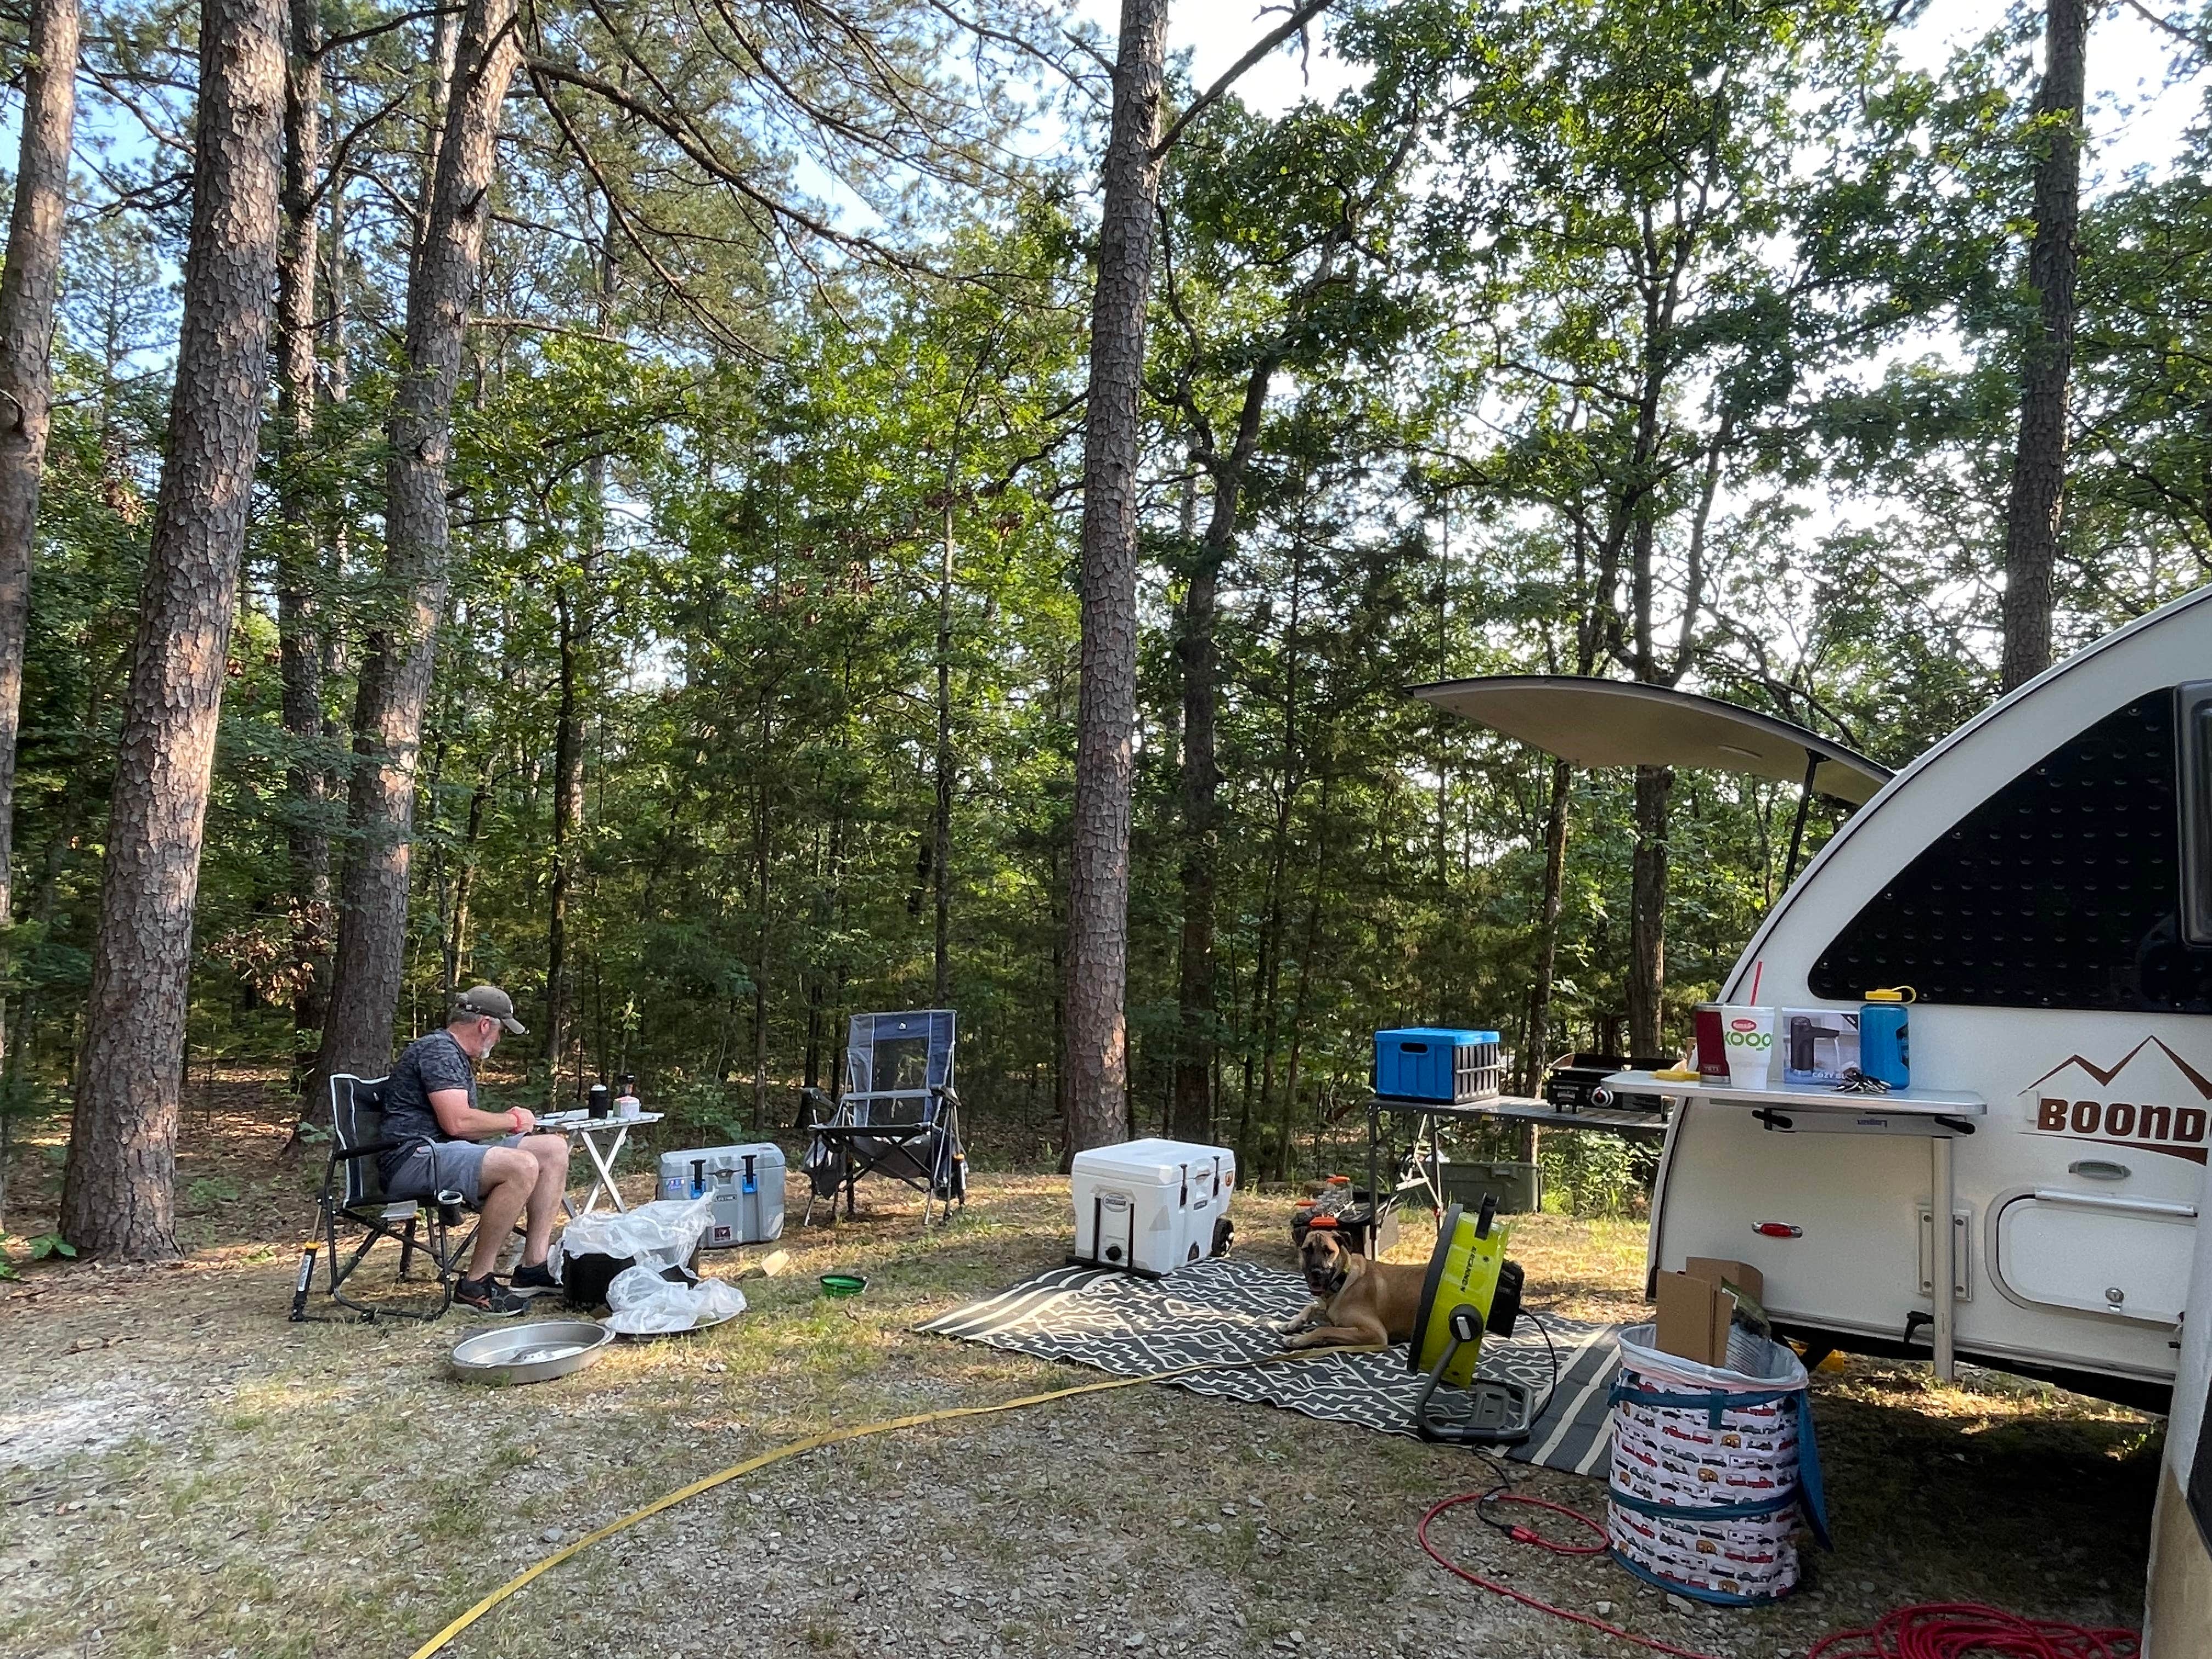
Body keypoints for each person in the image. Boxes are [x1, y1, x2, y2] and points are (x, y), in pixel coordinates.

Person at [377, 985, 570, 1316]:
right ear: (485, 1025)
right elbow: (457, 1122)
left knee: (552, 1148)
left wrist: (506, 1121)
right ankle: (475, 1283)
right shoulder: (439, 1051)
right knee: (520, 1165)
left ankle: (533, 1268)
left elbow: (460, 1126)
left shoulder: (451, 1054)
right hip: (412, 1157)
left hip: (444, 1152)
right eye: (499, 1031)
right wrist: (510, 1121)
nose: (498, 1039)